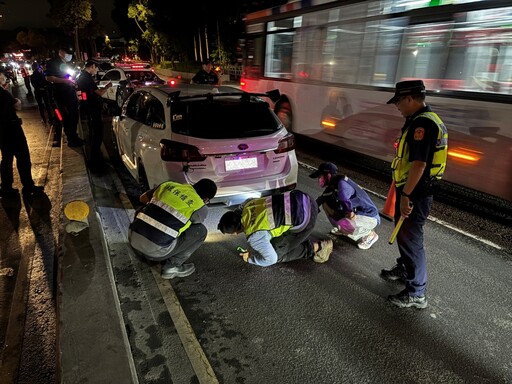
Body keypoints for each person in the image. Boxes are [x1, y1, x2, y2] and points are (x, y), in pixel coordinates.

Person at [381, 80, 448, 309]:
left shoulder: (423, 125)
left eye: (399, 101)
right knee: (404, 236)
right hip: (412, 190)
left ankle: (417, 293)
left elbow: (419, 165)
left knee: (411, 239)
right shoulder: (421, 120)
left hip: (415, 193)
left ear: (410, 99)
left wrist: (406, 196)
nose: (397, 106)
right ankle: (404, 268)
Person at [128, 179, 217, 279]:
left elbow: (142, 198)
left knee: (145, 208)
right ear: (205, 199)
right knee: (200, 231)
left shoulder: (168, 185)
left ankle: (142, 239)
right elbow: (195, 224)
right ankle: (172, 267)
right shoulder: (200, 207)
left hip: (132, 239)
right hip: (155, 252)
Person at [217, 189, 333, 267]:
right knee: (274, 233)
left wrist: (251, 258)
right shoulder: (248, 204)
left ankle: (318, 248)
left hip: (306, 220)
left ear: (236, 232)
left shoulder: (254, 236)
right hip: (304, 198)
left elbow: (270, 259)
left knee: (277, 254)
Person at [310, 162, 380, 250]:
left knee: (345, 224)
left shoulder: (343, 183)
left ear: (328, 175)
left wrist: (350, 212)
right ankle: (343, 228)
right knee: (326, 204)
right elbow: (319, 201)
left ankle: (369, 234)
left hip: (369, 216)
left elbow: (344, 198)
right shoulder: (332, 187)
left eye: (320, 177)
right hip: (355, 214)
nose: (319, 180)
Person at [0, 68, 44, 198]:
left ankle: (6, 188)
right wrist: (15, 99)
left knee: (6, 159)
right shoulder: (2, 93)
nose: (4, 77)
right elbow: (17, 105)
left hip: (2, 131)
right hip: (12, 129)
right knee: (23, 157)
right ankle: (28, 186)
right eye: (2, 76)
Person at [76, 59, 112, 171]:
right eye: (96, 68)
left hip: (87, 109)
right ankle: (96, 163)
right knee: (97, 135)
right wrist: (107, 86)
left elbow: (79, 94)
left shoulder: (81, 76)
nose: (96, 70)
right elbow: (100, 93)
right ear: (91, 66)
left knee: (93, 135)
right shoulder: (87, 78)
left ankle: (96, 160)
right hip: (92, 109)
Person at [45, 47, 84, 147]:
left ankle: (74, 137)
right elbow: (49, 77)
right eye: (67, 53)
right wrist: (65, 81)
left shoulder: (67, 63)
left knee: (74, 115)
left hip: (70, 92)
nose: (69, 56)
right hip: (61, 93)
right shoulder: (52, 62)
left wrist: (72, 80)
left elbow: (68, 75)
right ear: (60, 52)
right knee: (67, 117)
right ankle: (71, 139)